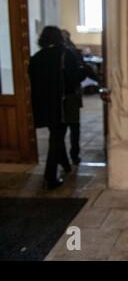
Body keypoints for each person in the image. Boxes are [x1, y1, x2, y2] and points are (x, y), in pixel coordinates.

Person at [28, 26, 86, 190]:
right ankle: (50, 176)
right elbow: (74, 78)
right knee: (57, 138)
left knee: (55, 134)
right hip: (62, 103)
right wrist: (82, 72)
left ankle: (65, 165)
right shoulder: (65, 54)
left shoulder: (36, 58)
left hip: (44, 104)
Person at [61, 30, 98, 166]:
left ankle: (66, 157)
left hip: (62, 95)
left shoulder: (66, 53)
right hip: (71, 94)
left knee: (63, 128)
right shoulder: (72, 52)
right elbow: (80, 72)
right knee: (73, 126)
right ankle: (73, 155)